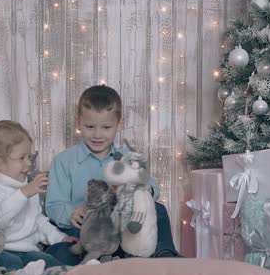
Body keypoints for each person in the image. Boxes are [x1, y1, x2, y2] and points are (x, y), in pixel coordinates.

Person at [45, 85, 181, 263]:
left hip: (121, 227)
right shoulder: (64, 161)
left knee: (158, 209)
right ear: (78, 122)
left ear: (119, 124)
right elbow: (53, 204)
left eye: (106, 127)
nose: (97, 134)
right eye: (89, 126)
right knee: (61, 253)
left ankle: (165, 254)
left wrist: (142, 191)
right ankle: (101, 258)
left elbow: (151, 185)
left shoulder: (126, 158)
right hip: (86, 230)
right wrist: (72, 213)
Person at [0, 120, 80, 275]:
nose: (29, 163)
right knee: (6, 261)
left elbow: (38, 221)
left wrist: (60, 237)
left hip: (28, 251)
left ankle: (78, 274)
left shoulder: (26, 185)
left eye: (29, 157)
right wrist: (23, 193)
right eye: (22, 158)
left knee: (50, 262)